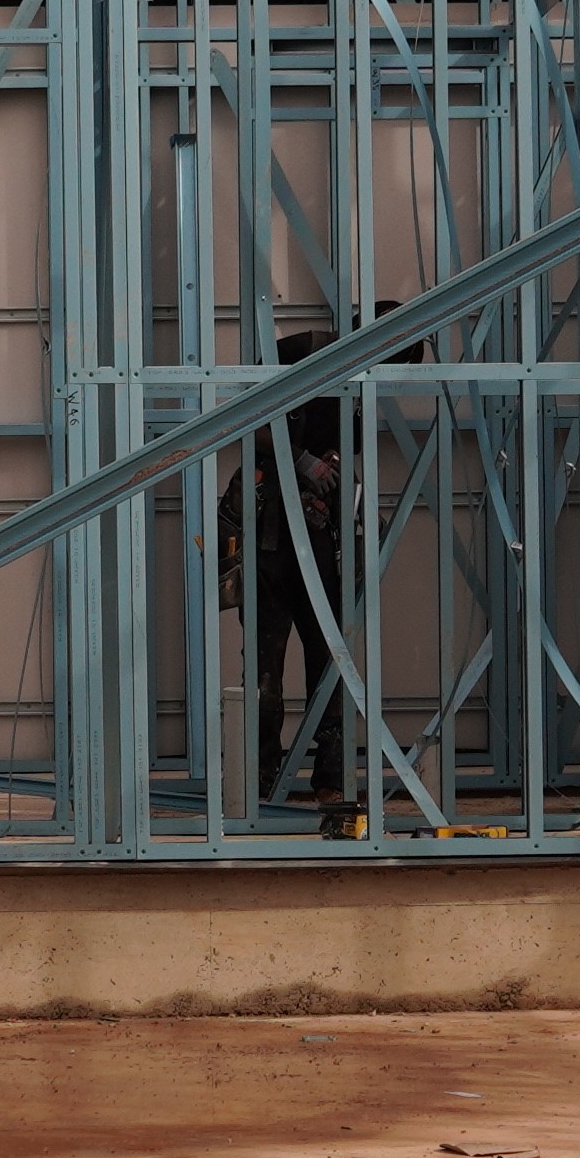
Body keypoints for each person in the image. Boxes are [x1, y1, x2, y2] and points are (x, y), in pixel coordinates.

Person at [220, 331, 350, 808]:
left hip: (320, 546)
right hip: (270, 546)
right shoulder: (300, 353)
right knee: (264, 669)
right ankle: (260, 781)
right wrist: (298, 461)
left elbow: (345, 451)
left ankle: (330, 781)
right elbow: (248, 421)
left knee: (328, 664)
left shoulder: (352, 385)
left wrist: (330, 464)